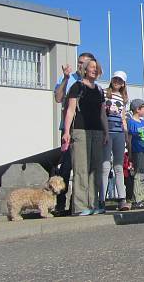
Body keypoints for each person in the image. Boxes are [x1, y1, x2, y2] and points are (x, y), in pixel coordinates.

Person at [62, 58, 108, 216]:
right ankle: (80, 206)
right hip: (80, 131)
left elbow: (102, 113)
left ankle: (93, 203)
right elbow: (70, 110)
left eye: (97, 67)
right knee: (81, 168)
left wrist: (106, 132)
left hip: (97, 131)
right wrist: (66, 132)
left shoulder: (100, 90)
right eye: (92, 67)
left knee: (95, 169)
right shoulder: (77, 86)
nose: (94, 70)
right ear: (85, 70)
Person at [53, 51, 94, 214]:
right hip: (69, 129)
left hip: (85, 129)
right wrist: (64, 78)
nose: (80, 65)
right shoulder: (69, 79)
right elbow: (57, 98)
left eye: (84, 62)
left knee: (82, 168)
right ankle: (60, 203)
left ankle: (76, 204)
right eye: (79, 62)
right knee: (66, 166)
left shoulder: (92, 83)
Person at [101, 71, 130, 212]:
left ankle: (122, 199)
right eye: (116, 79)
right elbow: (101, 112)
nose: (117, 82)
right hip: (107, 132)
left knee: (119, 167)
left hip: (119, 132)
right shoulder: (104, 92)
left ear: (124, 83)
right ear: (112, 79)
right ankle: (101, 199)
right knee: (105, 166)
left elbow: (123, 117)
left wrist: (126, 135)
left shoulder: (123, 98)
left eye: (120, 80)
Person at [127, 99, 144, 209]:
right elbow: (129, 138)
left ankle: (141, 197)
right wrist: (130, 152)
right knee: (139, 174)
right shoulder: (131, 122)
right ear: (137, 109)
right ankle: (136, 199)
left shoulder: (142, 122)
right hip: (137, 150)